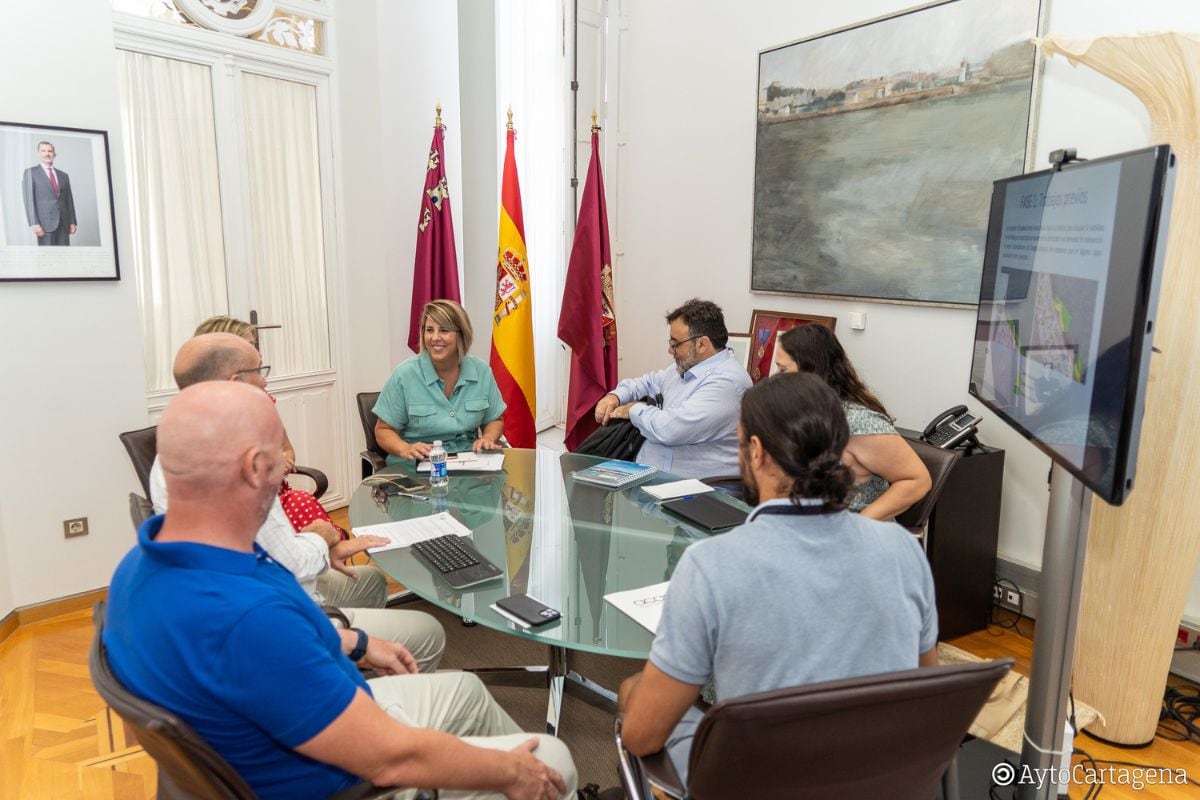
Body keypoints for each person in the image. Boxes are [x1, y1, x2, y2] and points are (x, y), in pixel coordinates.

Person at [106, 381, 576, 800]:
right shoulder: (250, 621)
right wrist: (511, 771)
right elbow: (393, 760)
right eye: (280, 451)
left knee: (467, 691)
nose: (288, 465)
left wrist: (354, 640)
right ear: (254, 467)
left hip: (299, 729)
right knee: (550, 759)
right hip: (352, 777)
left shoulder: (141, 568)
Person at [617, 373, 937, 784]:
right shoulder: (904, 551)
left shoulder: (710, 566)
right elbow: (927, 691)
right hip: (876, 779)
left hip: (758, 781)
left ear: (756, 451)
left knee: (632, 693)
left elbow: (643, 737)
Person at [149, 332, 447, 672]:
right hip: (277, 608)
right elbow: (292, 565)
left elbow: (265, 547)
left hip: (244, 592)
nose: (265, 381)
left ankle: (354, 668)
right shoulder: (242, 460)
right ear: (235, 382)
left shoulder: (173, 451)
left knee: (371, 581)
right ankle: (357, 690)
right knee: (429, 632)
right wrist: (322, 535)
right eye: (260, 370)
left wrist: (319, 547)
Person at [194, 315, 347, 539]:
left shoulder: (262, 400)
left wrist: (284, 460)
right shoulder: (203, 422)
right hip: (247, 517)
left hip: (278, 497)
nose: (259, 354)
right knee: (315, 527)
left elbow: (286, 448)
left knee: (309, 514)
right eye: (249, 346)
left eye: (255, 345)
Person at [774, 324, 931, 520]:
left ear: (810, 371)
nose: (777, 378)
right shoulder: (804, 413)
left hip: (849, 535)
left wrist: (860, 524)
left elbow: (917, 480)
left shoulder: (860, 423)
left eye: (783, 369)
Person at [593, 299, 751, 478]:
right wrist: (616, 396)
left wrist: (633, 410)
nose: (670, 350)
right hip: (645, 473)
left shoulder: (727, 382)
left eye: (675, 344)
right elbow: (649, 382)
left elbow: (669, 430)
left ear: (702, 344)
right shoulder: (687, 367)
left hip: (694, 491)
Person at [374, 300, 506, 464]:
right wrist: (405, 448)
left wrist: (487, 437)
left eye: (444, 330)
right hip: (416, 467)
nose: (435, 338)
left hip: (469, 462)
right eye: (429, 330)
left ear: (461, 334)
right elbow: (383, 430)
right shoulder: (404, 375)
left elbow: (495, 419)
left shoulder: (481, 371)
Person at [21, 141, 77, 246]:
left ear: (54, 154)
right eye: (43, 151)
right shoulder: (30, 173)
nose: (47, 154)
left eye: (50, 151)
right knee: (48, 258)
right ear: (38, 153)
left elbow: (69, 200)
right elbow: (29, 200)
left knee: (64, 257)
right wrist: (34, 223)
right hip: (44, 224)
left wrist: (72, 221)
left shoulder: (63, 175)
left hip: (64, 223)